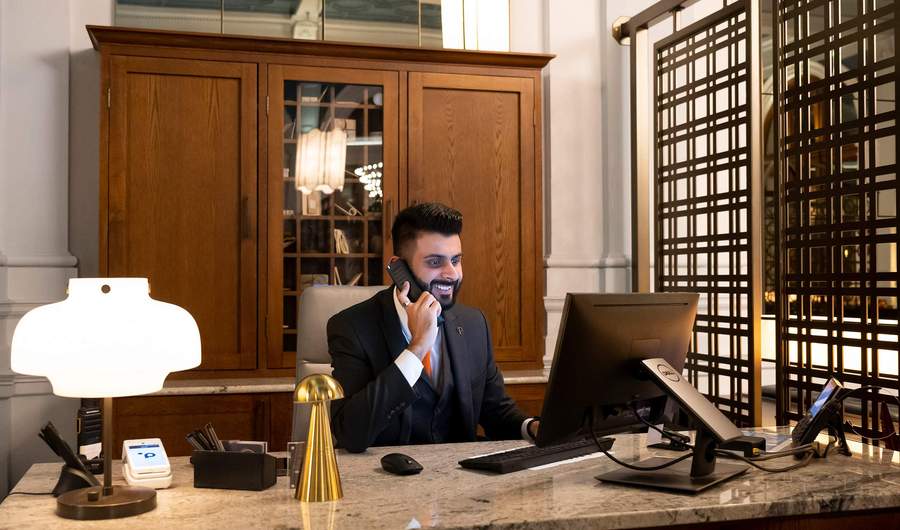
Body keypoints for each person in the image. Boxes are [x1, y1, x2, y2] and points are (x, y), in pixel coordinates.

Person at [328, 202, 539, 453]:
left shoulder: (473, 324)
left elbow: (495, 411)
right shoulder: (352, 327)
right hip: (385, 473)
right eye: (435, 262)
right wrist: (417, 348)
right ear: (399, 268)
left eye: (456, 260)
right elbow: (350, 434)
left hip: (459, 472)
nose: (452, 274)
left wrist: (531, 427)